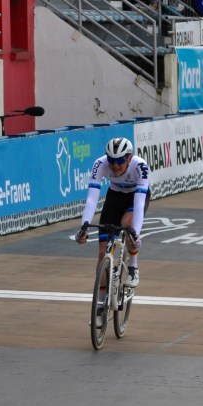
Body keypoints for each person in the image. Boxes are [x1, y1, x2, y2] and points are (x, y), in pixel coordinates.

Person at [75, 138, 151, 322]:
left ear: (129, 158)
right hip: (115, 197)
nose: (115, 166)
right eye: (111, 161)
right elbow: (92, 199)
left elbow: (139, 205)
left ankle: (133, 264)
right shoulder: (100, 164)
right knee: (102, 253)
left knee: (127, 227)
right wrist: (84, 226)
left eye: (119, 161)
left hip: (135, 197)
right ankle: (101, 306)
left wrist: (136, 233)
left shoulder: (140, 166)